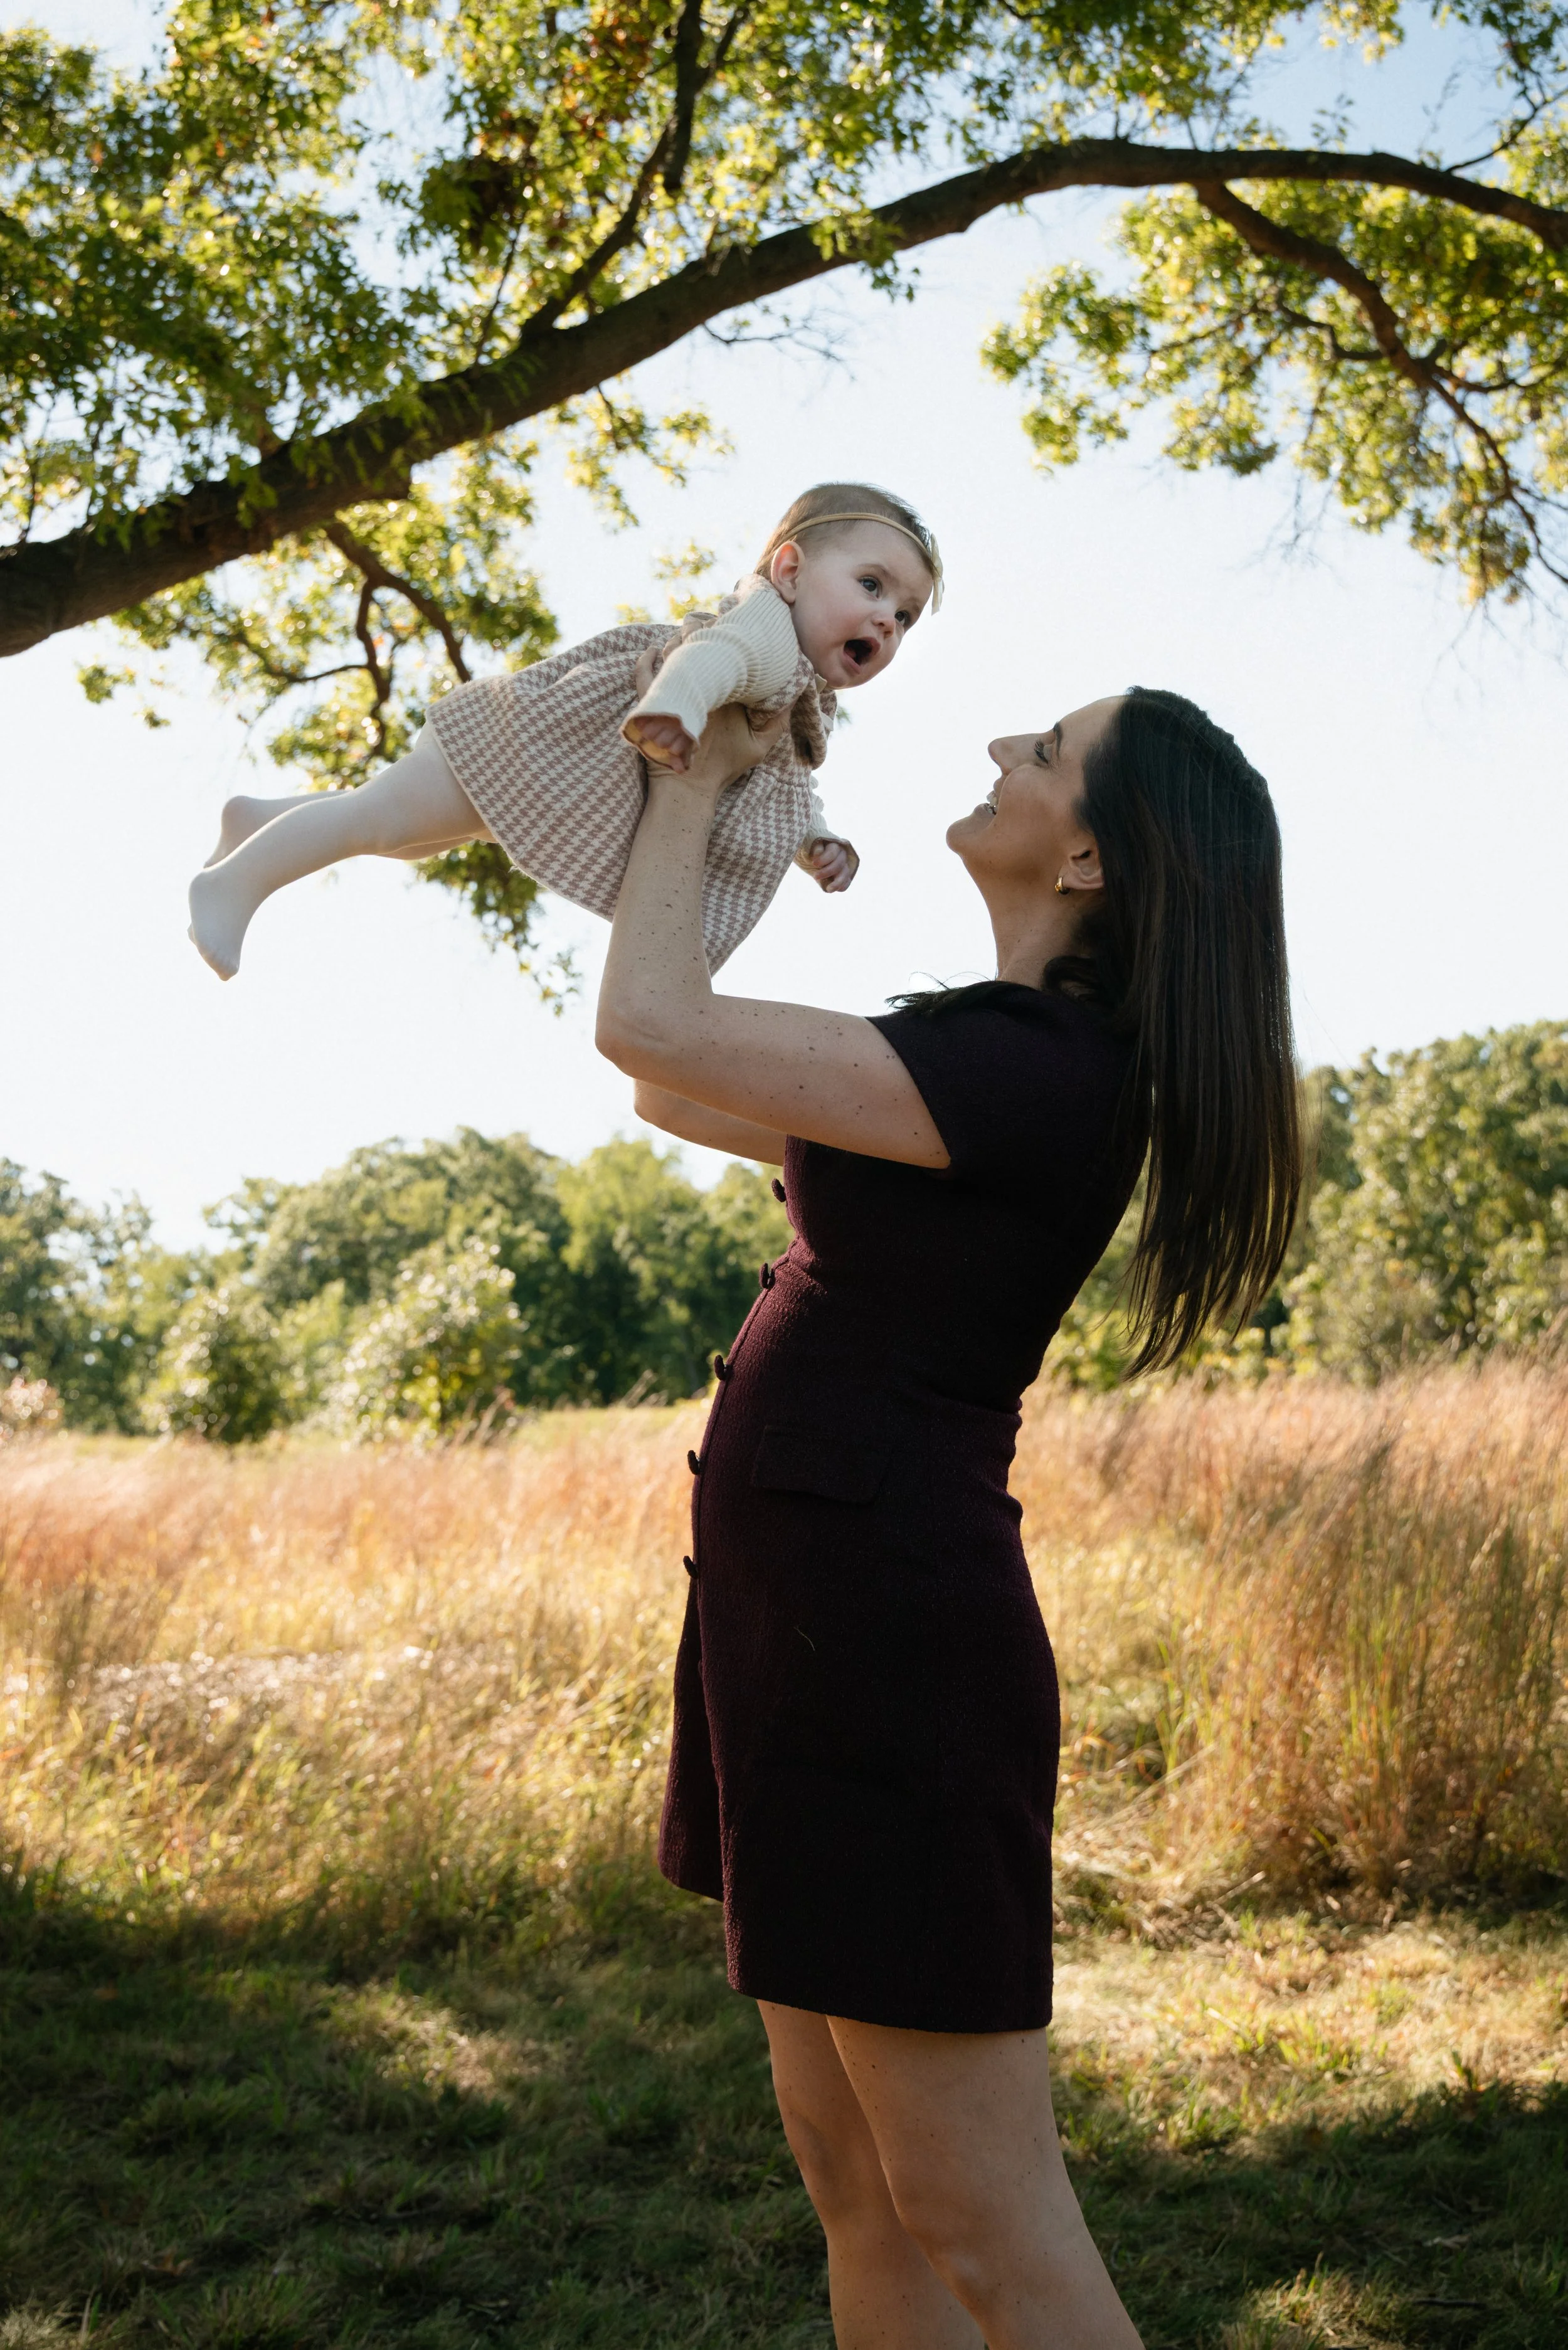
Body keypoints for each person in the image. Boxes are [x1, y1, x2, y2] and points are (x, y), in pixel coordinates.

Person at [595, 683, 1303, 2350]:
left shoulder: (1036, 1070)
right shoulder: (975, 1061)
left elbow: (648, 1026)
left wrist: (689, 768)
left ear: (1087, 858)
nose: (998, 753)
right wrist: (720, 798)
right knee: (858, 2183)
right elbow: (665, 1080)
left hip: (888, 1658)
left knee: (987, 2220)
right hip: (803, 1633)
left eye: (1043, 754)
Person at [186, 481, 940, 980]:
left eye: (904, 615)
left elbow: (780, 785)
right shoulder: (764, 638)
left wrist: (815, 842)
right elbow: (709, 662)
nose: (886, 618)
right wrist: (673, 709)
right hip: (536, 747)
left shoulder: (799, 691)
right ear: (789, 571)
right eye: (871, 586)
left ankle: (254, 821)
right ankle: (232, 884)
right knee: (379, 821)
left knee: (406, 835)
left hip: (548, 767)